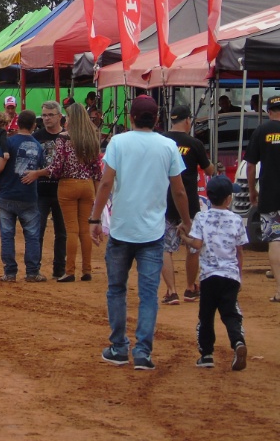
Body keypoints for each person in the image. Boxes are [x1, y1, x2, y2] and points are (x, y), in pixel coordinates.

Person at [90, 95, 190, 371]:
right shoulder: (168, 146)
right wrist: (186, 221)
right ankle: (143, 352)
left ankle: (119, 347)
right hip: (152, 232)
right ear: (157, 119)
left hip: (122, 229)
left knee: (116, 289)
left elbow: (106, 182)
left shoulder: (118, 142)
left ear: (131, 118)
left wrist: (95, 218)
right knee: (148, 294)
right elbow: (178, 190)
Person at [24, 103, 102, 282]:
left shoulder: (64, 138)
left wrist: (39, 172)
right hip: (87, 185)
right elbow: (97, 169)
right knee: (84, 229)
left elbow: (57, 167)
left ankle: (70, 270)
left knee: (71, 230)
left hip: (68, 185)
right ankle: (87, 270)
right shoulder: (92, 137)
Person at [179, 176, 248, 371]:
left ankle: (207, 354)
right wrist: (239, 276)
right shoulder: (236, 219)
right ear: (228, 199)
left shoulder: (202, 217)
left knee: (206, 316)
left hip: (209, 276)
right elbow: (239, 251)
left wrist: (184, 236)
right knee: (231, 314)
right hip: (230, 276)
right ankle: (238, 342)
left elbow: (197, 244)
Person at [161, 104, 216, 305]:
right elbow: (209, 171)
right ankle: (190, 288)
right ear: (187, 121)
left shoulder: (161, 141)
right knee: (192, 247)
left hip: (164, 201)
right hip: (189, 203)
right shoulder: (194, 143)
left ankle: (171, 290)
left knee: (165, 248)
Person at [0, 110, 47, 283]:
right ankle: (32, 272)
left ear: (17, 124)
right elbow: (42, 167)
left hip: (7, 194)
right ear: (33, 126)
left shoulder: (8, 142)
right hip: (28, 196)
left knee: (7, 235)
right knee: (32, 235)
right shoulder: (38, 145)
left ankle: (10, 273)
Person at [244, 93, 280, 303]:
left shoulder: (261, 130)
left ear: (268, 112)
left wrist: (252, 191)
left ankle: (279, 288)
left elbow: (250, 166)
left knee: (275, 239)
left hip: (270, 193)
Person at [33, 100, 67, 280]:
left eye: (50, 115)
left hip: (63, 191)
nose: (46, 119)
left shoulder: (68, 137)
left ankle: (59, 268)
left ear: (59, 116)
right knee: (37, 230)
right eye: (44, 115)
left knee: (62, 232)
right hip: (41, 191)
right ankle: (34, 268)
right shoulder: (36, 137)